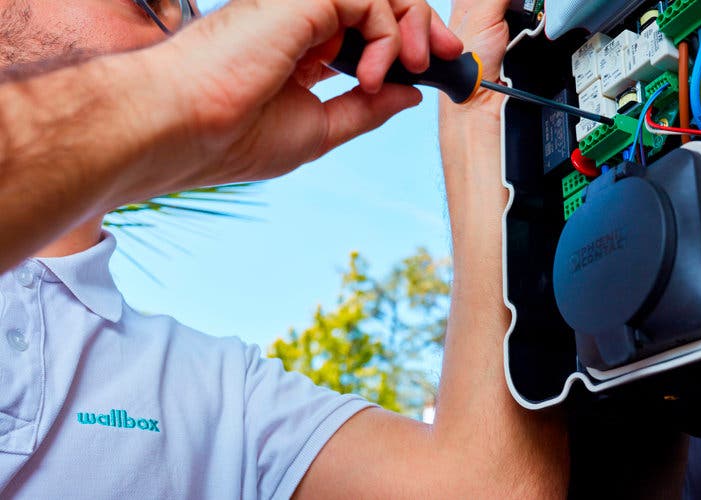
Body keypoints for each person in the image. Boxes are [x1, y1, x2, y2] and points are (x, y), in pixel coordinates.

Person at [0, 0, 569, 498]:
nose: (186, 34)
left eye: (187, 15)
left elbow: (483, 486)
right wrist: (169, 97)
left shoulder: (214, 395)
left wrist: (476, 114)